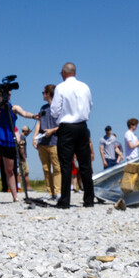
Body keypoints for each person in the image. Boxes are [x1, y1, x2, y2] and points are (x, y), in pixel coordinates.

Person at [50, 62, 93, 209]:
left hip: (67, 127)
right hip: (82, 126)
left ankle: (65, 201)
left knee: (66, 165)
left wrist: (59, 119)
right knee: (85, 164)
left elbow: (55, 109)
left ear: (63, 72)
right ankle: (89, 199)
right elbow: (90, 105)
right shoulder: (85, 86)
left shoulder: (60, 87)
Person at [0, 91, 38, 206]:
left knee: (10, 170)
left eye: (9, 94)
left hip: (9, 140)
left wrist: (33, 116)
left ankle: (15, 196)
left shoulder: (14, 108)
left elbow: (24, 113)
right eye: (5, 94)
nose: (7, 96)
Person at [33, 84, 61, 199]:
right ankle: (49, 192)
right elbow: (39, 122)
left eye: (43, 92)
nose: (42, 94)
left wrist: (52, 131)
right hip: (42, 143)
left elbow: (63, 125)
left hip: (55, 142)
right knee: (45, 168)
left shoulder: (59, 108)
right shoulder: (43, 108)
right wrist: (34, 137)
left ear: (48, 94)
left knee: (56, 168)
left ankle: (58, 192)